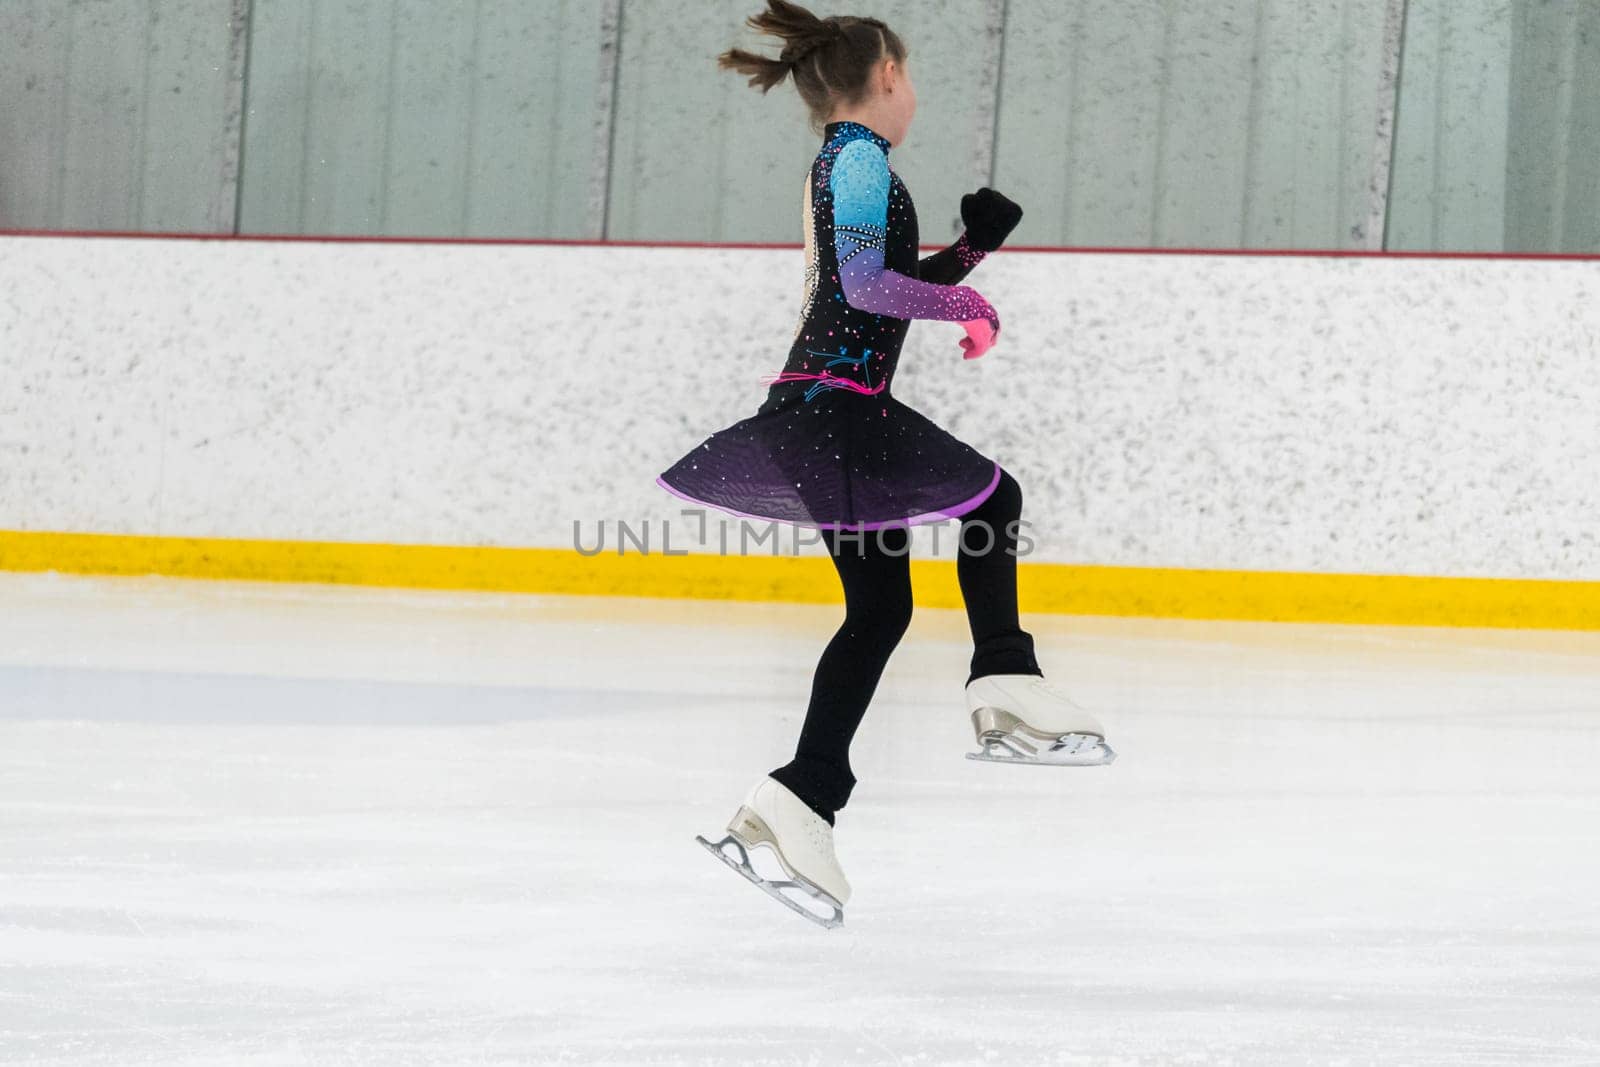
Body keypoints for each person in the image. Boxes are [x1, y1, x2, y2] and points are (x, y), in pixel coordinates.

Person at [658, 0, 1116, 928]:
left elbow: (871, 296)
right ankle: (1005, 681)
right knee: (996, 499)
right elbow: (867, 287)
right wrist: (972, 305)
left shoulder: (843, 164)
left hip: (820, 408)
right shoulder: (860, 158)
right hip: (837, 408)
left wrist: (970, 251)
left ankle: (799, 797)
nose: (917, 99)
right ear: (889, 78)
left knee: (880, 608)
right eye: (913, 80)